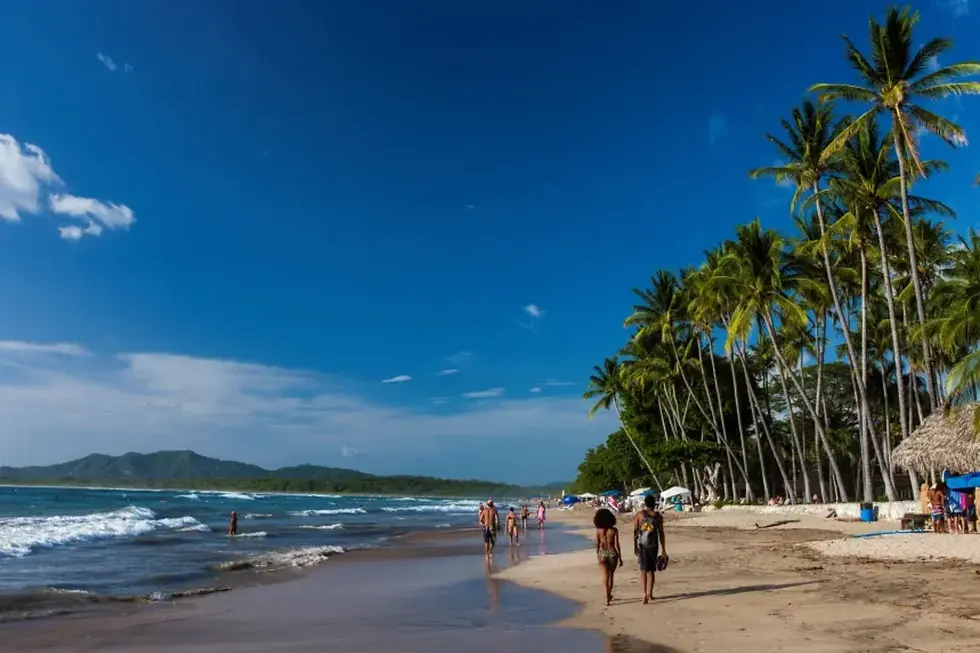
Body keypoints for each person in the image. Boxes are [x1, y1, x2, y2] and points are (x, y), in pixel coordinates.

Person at [632, 494, 666, 604]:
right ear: (654, 504)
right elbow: (661, 533)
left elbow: (635, 532)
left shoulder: (639, 515)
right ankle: (650, 594)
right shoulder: (658, 516)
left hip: (642, 545)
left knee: (643, 570)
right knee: (651, 571)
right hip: (654, 545)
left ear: (645, 503)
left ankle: (644, 593)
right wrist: (664, 549)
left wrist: (635, 546)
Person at [594, 507, 623, 606]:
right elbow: (616, 545)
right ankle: (609, 594)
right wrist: (620, 557)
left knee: (605, 577)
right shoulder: (614, 530)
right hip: (612, 553)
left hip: (603, 553)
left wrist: (598, 555)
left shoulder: (599, 531)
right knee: (611, 576)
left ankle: (606, 598)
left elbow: (597, 545)